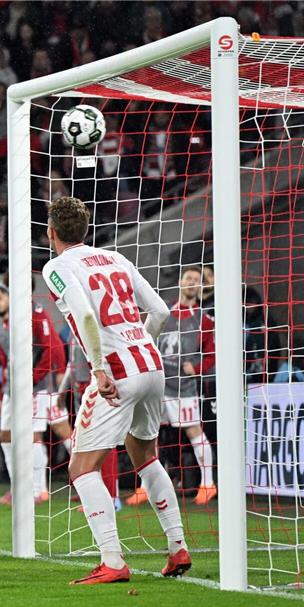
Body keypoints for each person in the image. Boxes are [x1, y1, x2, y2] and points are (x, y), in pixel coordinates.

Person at [41, 196, 189, 585]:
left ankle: (112, 560)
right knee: (145, 456)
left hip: (117, 374)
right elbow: (161, 311)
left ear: (51, 233)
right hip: (151, 364)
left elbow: (86, 314)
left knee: (80, 467)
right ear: (86, 229)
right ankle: (177, 547)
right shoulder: (116, 259)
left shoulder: (56, 266)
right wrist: (139, 346)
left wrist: (100, 367)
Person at [129, 266, 216, 506]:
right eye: (187, 278)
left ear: (201, 288)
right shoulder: (164, 312)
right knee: (148, 434)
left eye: (196, 280)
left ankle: (208, 484)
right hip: (158, 386)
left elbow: (212, 354)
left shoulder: (204, 320)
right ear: (180, 282)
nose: (191, 282)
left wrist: (196, 369)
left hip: (184, 388)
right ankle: (144, 487)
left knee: (193, 432)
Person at [0, 284, 69, 505]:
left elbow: (51, 347)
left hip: (36, 387)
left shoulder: (34, 315)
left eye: (0, 298)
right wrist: (4, 393)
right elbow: (6, 363)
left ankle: (39, 489)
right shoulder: (5, 325)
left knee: (37, 436)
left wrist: (35, 379)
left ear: (11, 296)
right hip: (12, 389)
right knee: (5, 435)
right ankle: (17, 488)